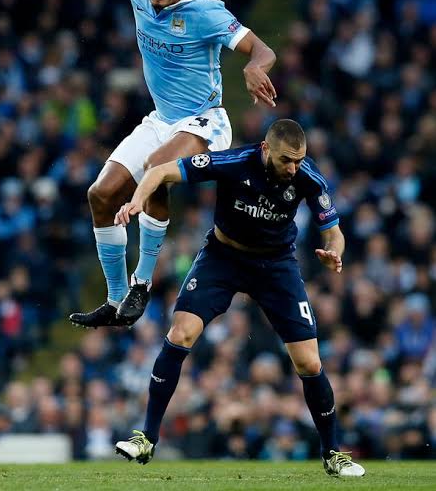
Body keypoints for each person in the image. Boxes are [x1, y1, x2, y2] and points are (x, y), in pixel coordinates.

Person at [112, 119, 365, 477]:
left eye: (299, 160)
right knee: (180, 333)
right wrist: (137, 201)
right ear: (265, 149)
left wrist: (333, 252)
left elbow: (334, 232)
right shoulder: (233, 162)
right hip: (223, 257)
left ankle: (333, 454)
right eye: (286, 160)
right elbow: (160, 171)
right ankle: (146, 437)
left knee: (309, 362)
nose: (293, 168)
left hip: (275, 265)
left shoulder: (309, 177)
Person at [70, 0, 276, 329]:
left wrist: (254, 67)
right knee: (99, 194)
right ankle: (116, 302)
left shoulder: (207, 13)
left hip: (205, 121)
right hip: (161, 120)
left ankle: (142, 283)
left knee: (156, 167)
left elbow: (263, 50)